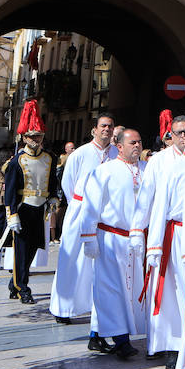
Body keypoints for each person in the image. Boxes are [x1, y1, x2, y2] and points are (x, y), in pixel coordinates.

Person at [141, 118, 185, 369]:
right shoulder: (172, 168)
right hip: (177, 234)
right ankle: (175, 345)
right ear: (183, 140)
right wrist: (154, 245)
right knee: (175, 293)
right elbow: (160, 207)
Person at [79, 127, 147, 360]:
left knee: (131, 290)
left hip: (137, 240)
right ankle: (121, 340)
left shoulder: (147, 169)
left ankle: (96, 333)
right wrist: (88, 238)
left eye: (139, 142)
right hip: (110, 239)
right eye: (132, 143)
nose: (137, 146)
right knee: (111, 289)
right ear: (119, 146)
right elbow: (90, 206)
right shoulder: (105, 171)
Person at [50, 113, 118, 329]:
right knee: (72, 260)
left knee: (99, 262)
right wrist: (81, 206)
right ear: (94, 130)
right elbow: (68, 182)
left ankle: (93, 305)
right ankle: (63, 308)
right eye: (103, 126)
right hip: (81, 210)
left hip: (106, 215)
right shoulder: (80, 154)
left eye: (110, 126)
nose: (106, 130)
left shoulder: (117, 153)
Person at [2, 102, 57, 304]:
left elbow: (53, 181)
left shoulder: (49, 158)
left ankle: (14, 283)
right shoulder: (16, 161)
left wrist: (53, 197)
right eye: (32, 136)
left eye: (39, 136)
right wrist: (12, 214)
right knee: (21, 250)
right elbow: (9, 190)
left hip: (40, 209)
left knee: (32, 249)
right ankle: (22, 287)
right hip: (23, 208)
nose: (36, 140)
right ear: (24, 138)